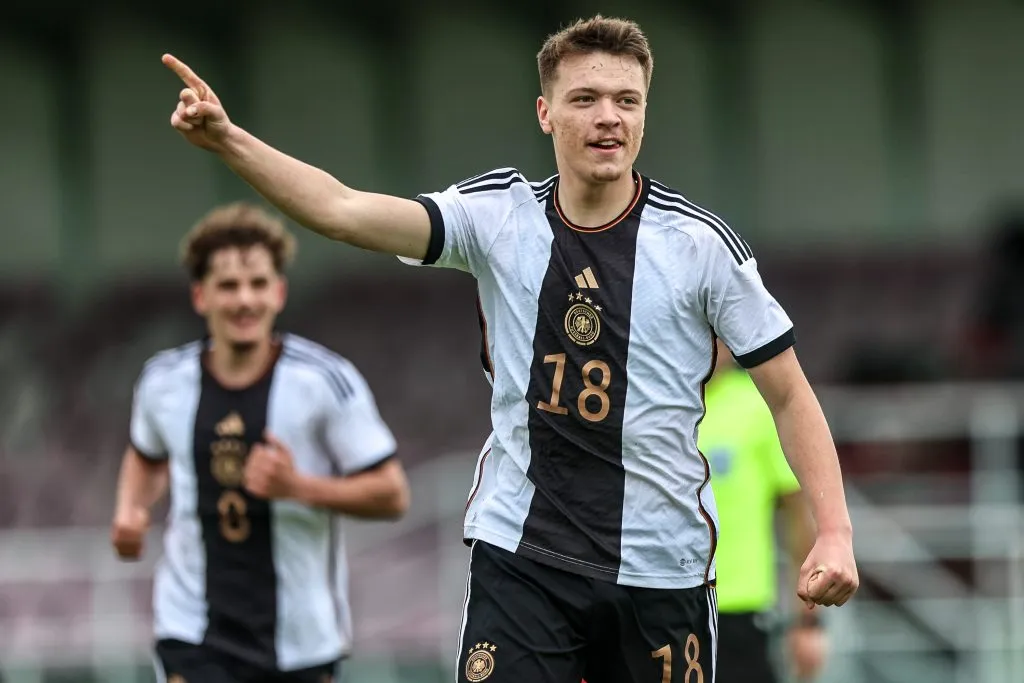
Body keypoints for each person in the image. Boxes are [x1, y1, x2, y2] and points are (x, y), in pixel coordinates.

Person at [161, 14, 859, 683]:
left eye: (626, 100)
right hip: (523, 551)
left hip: (660, 565)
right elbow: (344, 211)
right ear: (546, 113)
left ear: (645, 114)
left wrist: (835, 531)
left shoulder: (701, 247)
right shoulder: (498, 217)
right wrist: (229, 140)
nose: (607, 117)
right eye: (584, 98)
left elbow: (789, 392)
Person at [110, 202, 410, 683]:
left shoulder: (326, 381)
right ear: (200, 296)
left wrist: (297, 487)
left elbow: (392, 493)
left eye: (257, 284)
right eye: (228, 286)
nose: (244, 300)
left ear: (279, 292)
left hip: (301, 638)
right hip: (191, 626)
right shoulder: (162, 382)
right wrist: (130, 510)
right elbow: (146, 457)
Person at [700, 339, 826, 682]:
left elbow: (800, 519)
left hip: (740, 608)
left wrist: (807, 622)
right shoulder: (661, 403)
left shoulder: (759, 405)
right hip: (665, 602)